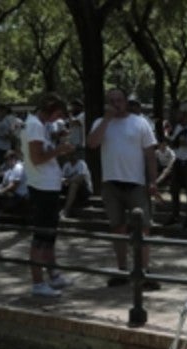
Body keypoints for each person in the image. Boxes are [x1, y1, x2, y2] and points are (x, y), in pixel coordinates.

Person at [87, 87, 160, 289]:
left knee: (142, 228)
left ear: (126, 102)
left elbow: (150, 154)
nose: (116, 104)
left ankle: (144, 271)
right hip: (111, 183)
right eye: (111, 101)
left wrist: (153, 181)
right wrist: (106, 120)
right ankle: (121, 270)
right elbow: (92, 144)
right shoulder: (100, 123)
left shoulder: (140, 123)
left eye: (119, 100)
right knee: (117, 227)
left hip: (136, 183)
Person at [22, 92, 75, 298]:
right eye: (58, 114)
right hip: (42, 187)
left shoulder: (40, 125)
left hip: (49, 186)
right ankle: (38, 283)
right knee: (41, 236)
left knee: (50, 234)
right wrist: (59, 150)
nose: (59, 118)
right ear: (50, 110)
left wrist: (56, 145)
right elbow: (37, 158)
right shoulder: (35, 125)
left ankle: (53, 275)